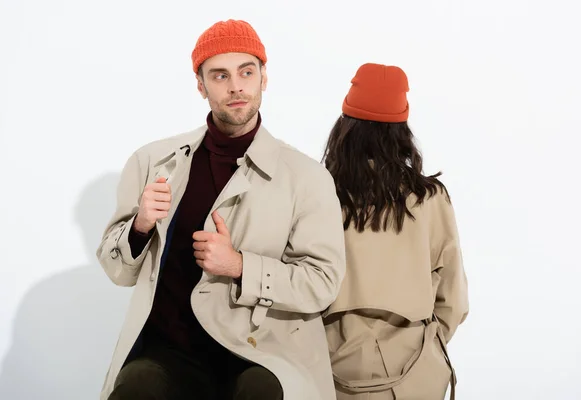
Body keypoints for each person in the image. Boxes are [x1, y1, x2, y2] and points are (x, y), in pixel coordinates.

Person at [96, 19, 346, 400]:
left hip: (261, 355)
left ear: (264, 78)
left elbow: (323, 283)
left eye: (247, 72)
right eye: (220, 75)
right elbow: (116, 271)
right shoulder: (153, 162)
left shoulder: (307, 178)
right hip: (169, 353)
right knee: (134, 389)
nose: (236, 87)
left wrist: (241, 266)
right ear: (201, 85)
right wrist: (140, 225)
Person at [321, 63, 469, 400]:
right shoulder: (431, 198)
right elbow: (454, 300)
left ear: (344, 128)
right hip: (415, 369)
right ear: (402, 132)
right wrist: (429, 345)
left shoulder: (318, 193)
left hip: (329, 364)